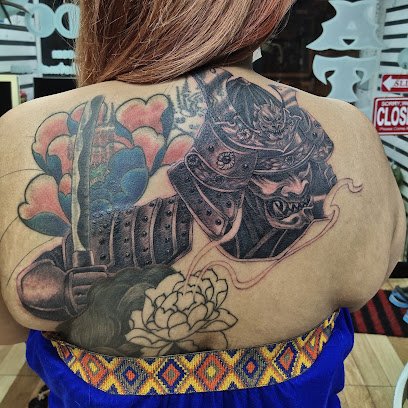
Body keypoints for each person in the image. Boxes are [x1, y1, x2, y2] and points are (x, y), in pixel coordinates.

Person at [0, 1, 406, 406]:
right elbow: (367, 279)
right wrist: (64, 287)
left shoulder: (15, 129)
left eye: (301, 171)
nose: (297, 187)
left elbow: (7, 328)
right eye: (274, 172)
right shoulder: (352, 131)